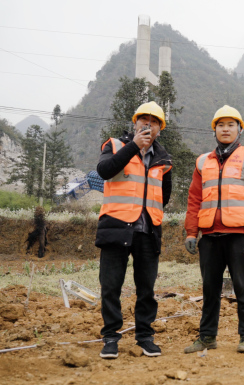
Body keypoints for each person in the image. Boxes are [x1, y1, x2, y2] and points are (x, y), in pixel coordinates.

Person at [183, 105, 244, 354]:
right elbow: (194, 200)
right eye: (220, 125)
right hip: (209, 235)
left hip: (240, 234)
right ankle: (207, 337)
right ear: (214, 130)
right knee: (209, 289)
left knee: (243, 287)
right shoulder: (203, 162)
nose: (225, 129)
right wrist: (191, 233)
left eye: (230, 124)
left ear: (239, 129)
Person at [95, 101, 173, 359]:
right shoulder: (115, 145)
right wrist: (134, 146)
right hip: (117, 226)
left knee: (146, 288)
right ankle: (110, 338)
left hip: (148, 230)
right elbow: (105, 170)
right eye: (144, 119)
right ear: (135, 122)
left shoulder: (164, 159)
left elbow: (165, 195)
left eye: (154, 121)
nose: (148, 124)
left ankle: (145, 336)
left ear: (160, 128)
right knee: (111, 286)